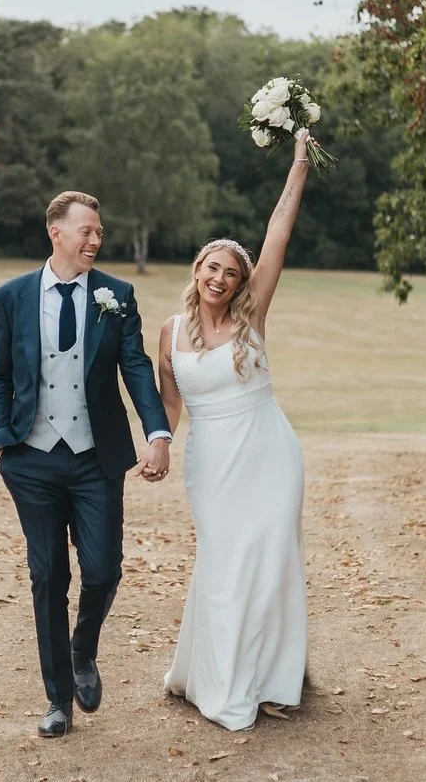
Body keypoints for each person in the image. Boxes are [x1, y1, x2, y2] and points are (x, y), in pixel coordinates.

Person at [0, 190, 173, 738]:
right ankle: (58, 698)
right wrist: (1, 440)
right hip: (31, 459)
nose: (95, 240)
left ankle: (83, 649)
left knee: (104, 569)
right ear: (56, 232)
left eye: (99, 232)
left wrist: (156, 432)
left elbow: (136, 367)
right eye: (86, 231)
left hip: (95, 458)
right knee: (47, 575)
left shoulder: (117, 294)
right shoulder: (13, 296)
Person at [159, 130, 315, 730]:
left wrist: (298, 161)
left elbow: (278, 232)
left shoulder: (253, 316)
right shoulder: (171, 331)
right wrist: (156, 447)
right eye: (212, 267)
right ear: (197, 269)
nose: (220, 278)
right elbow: (170, 406)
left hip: (270, 453)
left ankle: (275, 683)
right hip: (212, 464)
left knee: (272, 559)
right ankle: (215, 680)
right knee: (224, 565)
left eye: (231, 272)